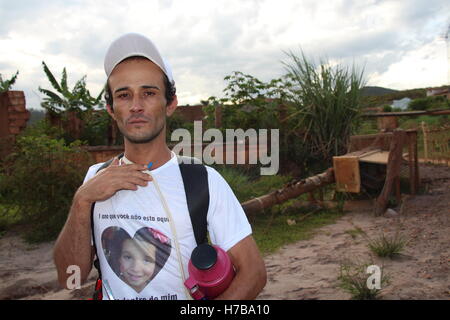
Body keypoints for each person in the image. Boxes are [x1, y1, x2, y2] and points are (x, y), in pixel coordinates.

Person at [53, 32, 267, 300]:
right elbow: (69, 279)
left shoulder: (202, 180)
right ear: (110, 108)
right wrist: (81, 201)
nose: (136, 106)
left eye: (149, 93)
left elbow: (254, 272)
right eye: (123, 95)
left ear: (170, 104)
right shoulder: (95, 179)